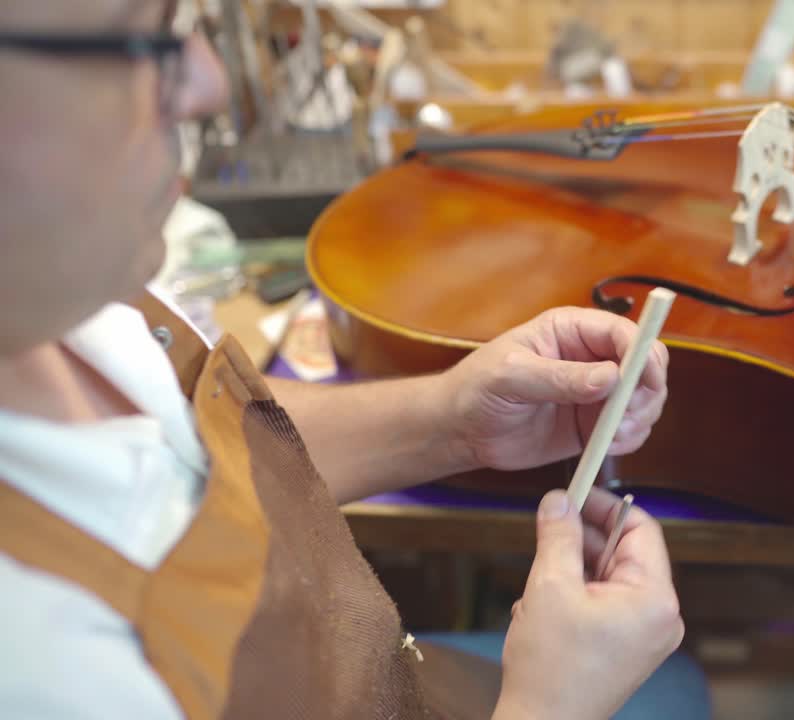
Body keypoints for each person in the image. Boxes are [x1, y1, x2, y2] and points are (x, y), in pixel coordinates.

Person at [0, 1, 709, 718]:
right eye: (140, 37)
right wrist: (554, 704)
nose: (210, 83)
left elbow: (202, 439)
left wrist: (453, 420)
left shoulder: (64, 291)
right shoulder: (43, 670)